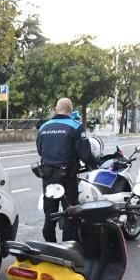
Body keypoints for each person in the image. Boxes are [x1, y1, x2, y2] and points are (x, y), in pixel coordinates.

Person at [36, 98, 99, 242]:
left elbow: (40, 150)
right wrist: (95, 167)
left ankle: (50, 244)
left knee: (50, 212)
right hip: (67, 176)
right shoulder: (75, 126)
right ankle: (67, 246)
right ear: (71, 110)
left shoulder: (44, 127)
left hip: (48, 176)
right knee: (70, 212)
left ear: (56, 109)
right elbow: (85, 153)